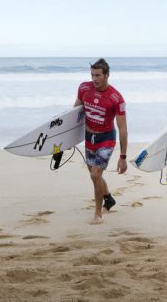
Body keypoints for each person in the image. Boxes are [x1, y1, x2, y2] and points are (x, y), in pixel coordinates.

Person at [74, 58, 128, 224]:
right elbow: (75, 112)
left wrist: (123, 157)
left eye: (98, 75)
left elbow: (123, 129)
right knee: (94, 176)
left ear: (107, 75)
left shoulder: (116, 98)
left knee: (95, 174)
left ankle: (98, 214)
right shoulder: (84, 88)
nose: (94, 79)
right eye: (92, 75)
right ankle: (109, 199)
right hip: (89, 138)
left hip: (106, 139)